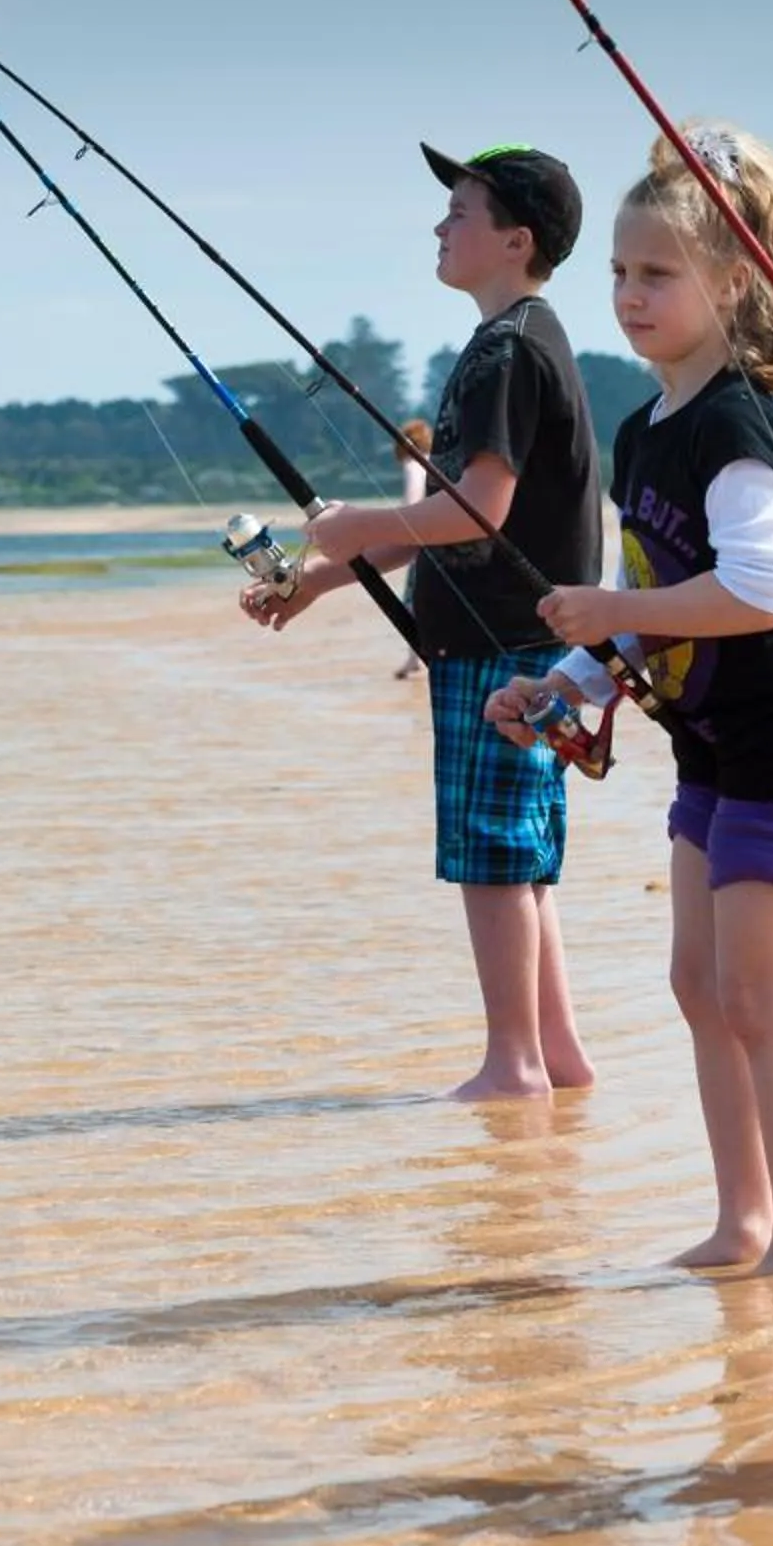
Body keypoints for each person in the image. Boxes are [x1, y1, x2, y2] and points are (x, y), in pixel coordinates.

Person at [488, 124, 773, 1277]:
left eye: (657, 273)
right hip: (712, 752)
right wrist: (561, 678)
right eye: (618, 270)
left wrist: (610, 619)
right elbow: (645, 595)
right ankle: (740, 1220)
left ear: (734, 281)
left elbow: (763, 590)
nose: (629, 294)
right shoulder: (645, 429)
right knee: (697, 985)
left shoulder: (734, 420)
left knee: (757, 995)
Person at [240, 143, 606, 1100]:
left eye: (460, 213)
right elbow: (457, 521)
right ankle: (555, 1052)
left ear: (514, 239)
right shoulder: (521, 340)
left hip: (499, 648)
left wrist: (358, 522)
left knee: (493, 857)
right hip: (525, 641)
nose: (440, 227)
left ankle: (513, 1065)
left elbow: (473, 511)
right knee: (521, 857)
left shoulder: (508, 351)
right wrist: (320, 578)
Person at [392, 418, 436, 680]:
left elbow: (411, 500)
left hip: (419, 543)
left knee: (413, 604)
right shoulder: (435, 460)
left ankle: (414, 659)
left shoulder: (413, 464)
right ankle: (417, 658)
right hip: (439, 538)